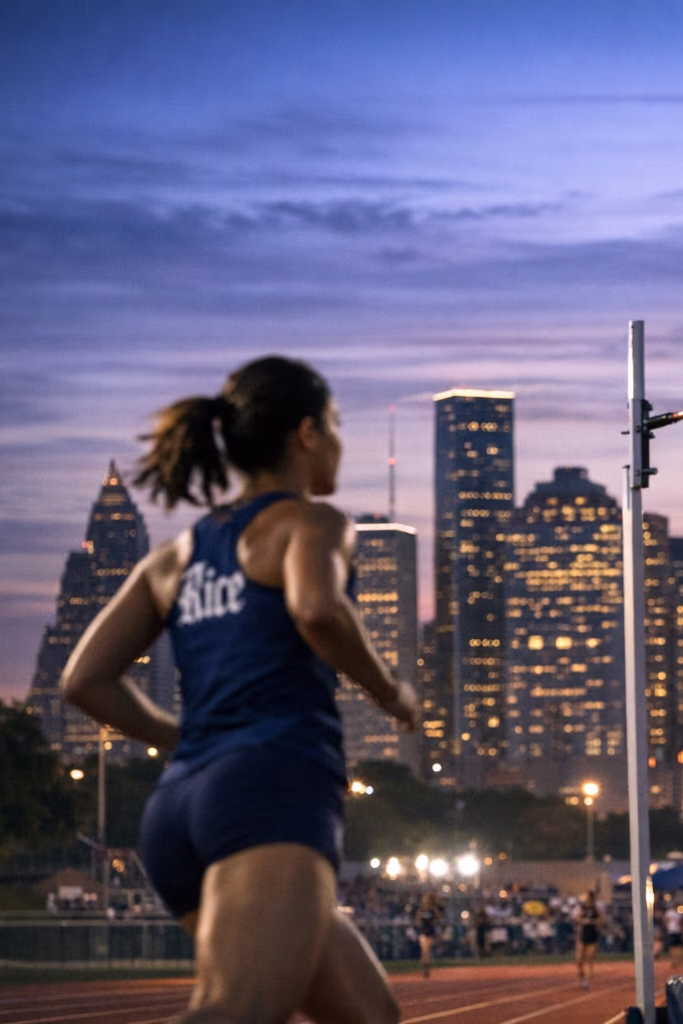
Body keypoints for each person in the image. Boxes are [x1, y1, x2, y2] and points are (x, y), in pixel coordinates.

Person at [60, 355, 421, 1024]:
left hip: (181, 812)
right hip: (271, 788)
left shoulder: (175, 556)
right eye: (337, 426)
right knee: (237, 1010)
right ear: (307, 434)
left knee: (371, 1016)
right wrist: (390, 691)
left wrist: (185, 739)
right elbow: (317, 610)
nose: (340, 443)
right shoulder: (310, 524)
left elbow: (83, 680)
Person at [573, 890, 603, 988]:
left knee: (590, 959)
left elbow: (601, 920)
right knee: (579, 959)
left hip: (592, 934)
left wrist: (592, 921)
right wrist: (582, 920)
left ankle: (588, 981)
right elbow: (576, 918)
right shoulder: (582, 908)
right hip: (583, 934)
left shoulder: (596, 909)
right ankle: (581, 974)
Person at [415, 892, 442, 978]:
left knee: (427, 950)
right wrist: (419, 920)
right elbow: (417, 920)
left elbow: (438, 920)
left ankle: (426, 967)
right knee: (424, 951)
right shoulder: (421, 910)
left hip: (430, 932)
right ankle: (425, 965)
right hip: (423, 931)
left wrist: (434, 920)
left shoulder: (433, 910)